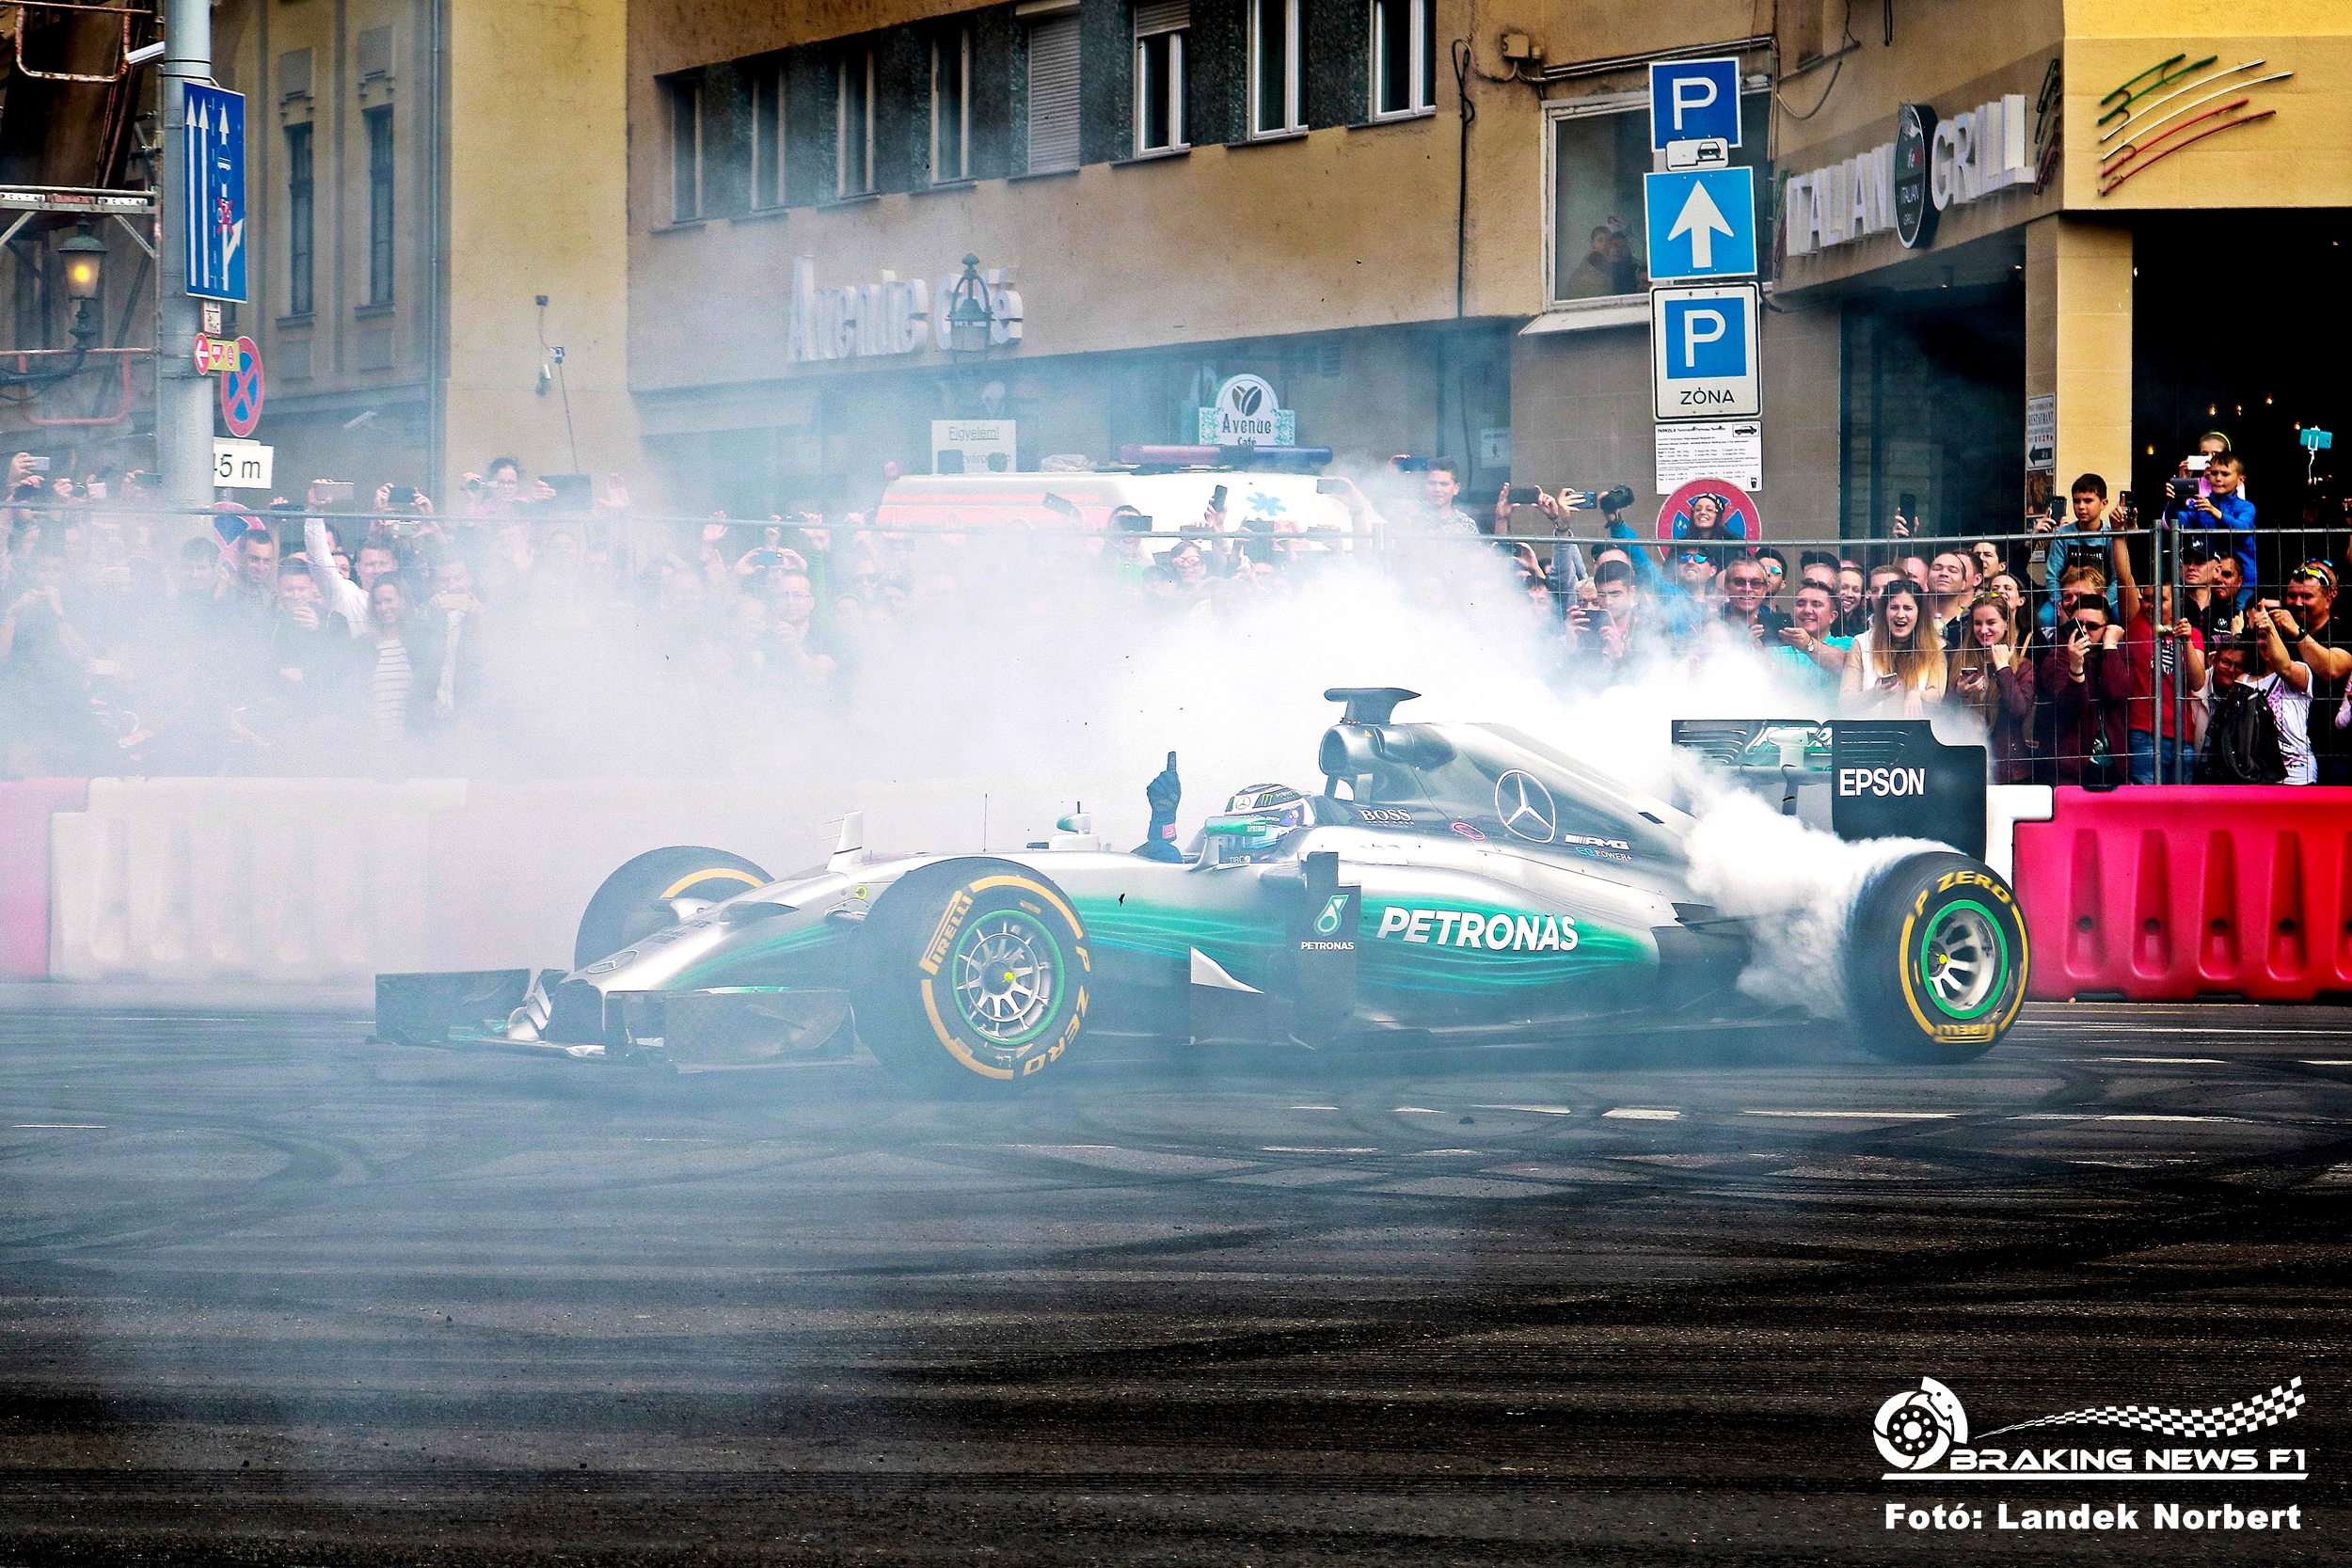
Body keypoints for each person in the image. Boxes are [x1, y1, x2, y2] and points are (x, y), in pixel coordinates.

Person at [2041, 588, 2133, 786]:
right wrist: (2076, 666)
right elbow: (2073, 707)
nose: (2083, 632)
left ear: (2106, 628)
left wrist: (2109, 646)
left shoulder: (2117, 655)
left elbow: (2115, 692)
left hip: (2114, 768)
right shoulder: (2056, 658)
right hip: (2071, 772)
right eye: (2077, 625)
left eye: (2092, 626)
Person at [2269, 560, 2349, 784]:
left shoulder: (2342, 629)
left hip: (2331, 749)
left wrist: (2296, 632)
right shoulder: (2278, 631)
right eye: (2292, 596)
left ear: (2328, 599)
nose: (2297, 603)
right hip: (2281, 753)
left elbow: (2332, 669)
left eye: (2306, 597)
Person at [1945, 594, 2037, 783]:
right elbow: (1944, 714)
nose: (1983, 630)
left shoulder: (2024, 667)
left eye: (1991, 622)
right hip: (1967, 764)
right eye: (1978, 623)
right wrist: (1958, 695)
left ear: (2005, 624)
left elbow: (2019, 709)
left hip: (2011, 769)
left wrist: (2003, 668)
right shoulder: (1958, 660)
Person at [1840, 581, 1947, 716]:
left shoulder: (1936, 647)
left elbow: (1937, 693)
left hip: (1918, 732)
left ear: (1919, 613)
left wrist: (1917, 695)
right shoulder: (1861, 644)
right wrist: (1874, 695)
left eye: (1908, 608)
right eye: (1894, 607)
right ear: (1884, 611)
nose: (1900, 614)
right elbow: (1845, 701)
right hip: (1871, 732)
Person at [2173, 450, 2255, 593]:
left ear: (2241, 479)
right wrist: (2177, 498)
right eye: (2214, 473)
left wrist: (2215, 512)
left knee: (2239, 613)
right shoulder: (2200, 503)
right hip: (2206, 579)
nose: (2218, 478)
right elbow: (2178, 523)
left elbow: (2242, 530)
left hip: (2241, 582)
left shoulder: (2246, 507)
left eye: (2225, 474)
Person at [1769, 582, 1850, 696]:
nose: (1807, 610)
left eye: (1816, 604)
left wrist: (1808, 644)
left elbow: (1845, 665)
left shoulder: (1846, 643)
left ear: (1832, 616)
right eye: (1801, 604)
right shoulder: (1778, 649)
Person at [1714, 557, 1791, 649]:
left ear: (1764, 590)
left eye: (1755, 583)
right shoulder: (1709, 623)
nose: (1747, 589)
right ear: (1727, 587)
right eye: (1739, 582)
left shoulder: (1778, 628)